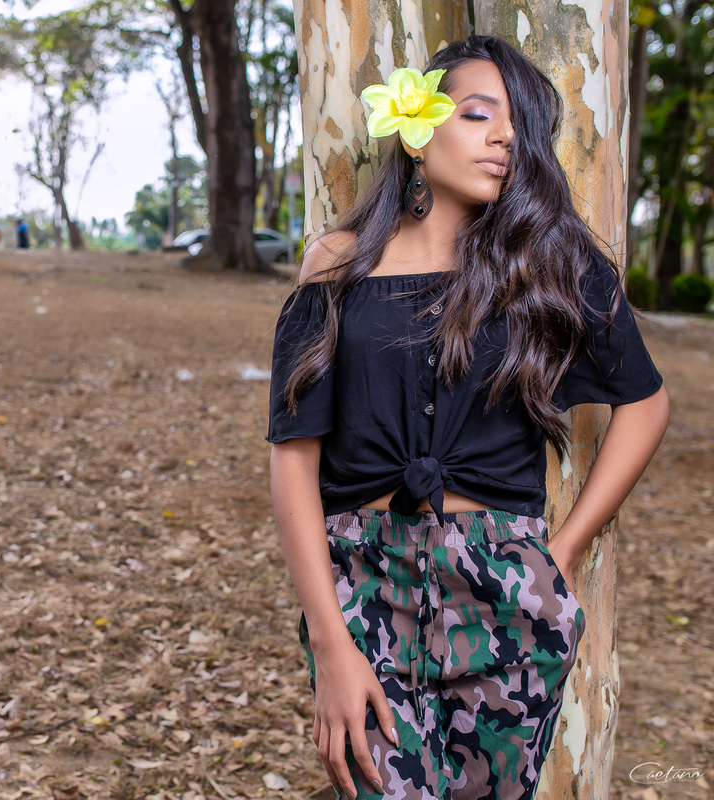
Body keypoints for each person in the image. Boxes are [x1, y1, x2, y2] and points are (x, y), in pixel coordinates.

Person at [267, 36, 669, 800]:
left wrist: (562, 554)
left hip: (506, 587)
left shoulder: (548, 263)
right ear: (417, 134)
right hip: (361, 583)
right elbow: (293, 457)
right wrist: (328, 640)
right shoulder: (336, 263)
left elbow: (646, 403)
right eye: (480, 114)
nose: (505, 138)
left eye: (520, 126)